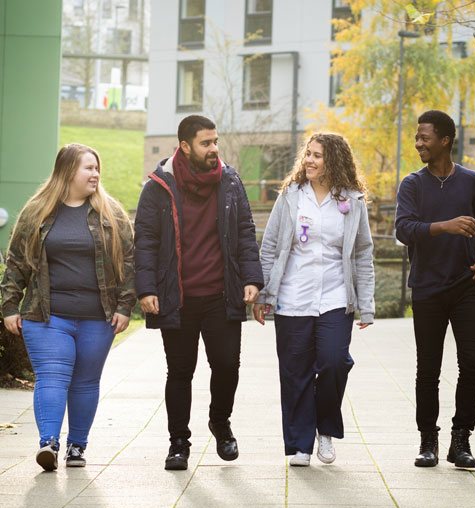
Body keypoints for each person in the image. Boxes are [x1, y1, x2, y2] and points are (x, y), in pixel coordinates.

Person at [134, 114, 263, 471]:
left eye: (216, 141)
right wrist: (146, 288)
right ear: (185, 146)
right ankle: (178, 443)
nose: (214, 149)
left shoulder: (230, 181)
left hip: (221, 295)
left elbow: (245, 233)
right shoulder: (159, 187)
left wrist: (252, 278)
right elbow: (144, 242)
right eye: (206, 143)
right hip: (177, 297)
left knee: (227, 365)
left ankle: (220, 423)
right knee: (180, 371)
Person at [0, 143, 135, 472]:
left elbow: (129, 262)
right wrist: (9, 306)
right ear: (67, 172)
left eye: (97, 167)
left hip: (98, 317)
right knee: (51, 376)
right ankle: (49, 443)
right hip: (47, 315)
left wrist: (124, 306)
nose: (95, 174)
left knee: (86, 382)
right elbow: (16, 261)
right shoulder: (37, 211)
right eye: (88, 168)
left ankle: (77, 445)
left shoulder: (111, 213)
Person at [253, 132, 375, 467]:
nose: (309, 160)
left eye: (317, 155)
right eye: (307, 154)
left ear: (333, 160)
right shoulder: (291, 196)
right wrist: (264, 294)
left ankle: (326, 429)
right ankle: (299, 444)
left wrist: (367, 303)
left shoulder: (352, 201)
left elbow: (363, 253)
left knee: (334, 361)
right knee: (295, 371)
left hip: (336, 295)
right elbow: (271, 245)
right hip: (293, 295)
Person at [395, 110, 475, 470]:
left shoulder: (471, 181)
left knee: (472, 364)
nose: (418, 143)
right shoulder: (412, 184)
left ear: (445, 140)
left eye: (424, 137)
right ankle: (428, 441)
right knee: (428, 369)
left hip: (466, 286)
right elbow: (404, 229)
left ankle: (461, 440)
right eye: (417, 137)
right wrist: (445, 226)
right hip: (427, 288)